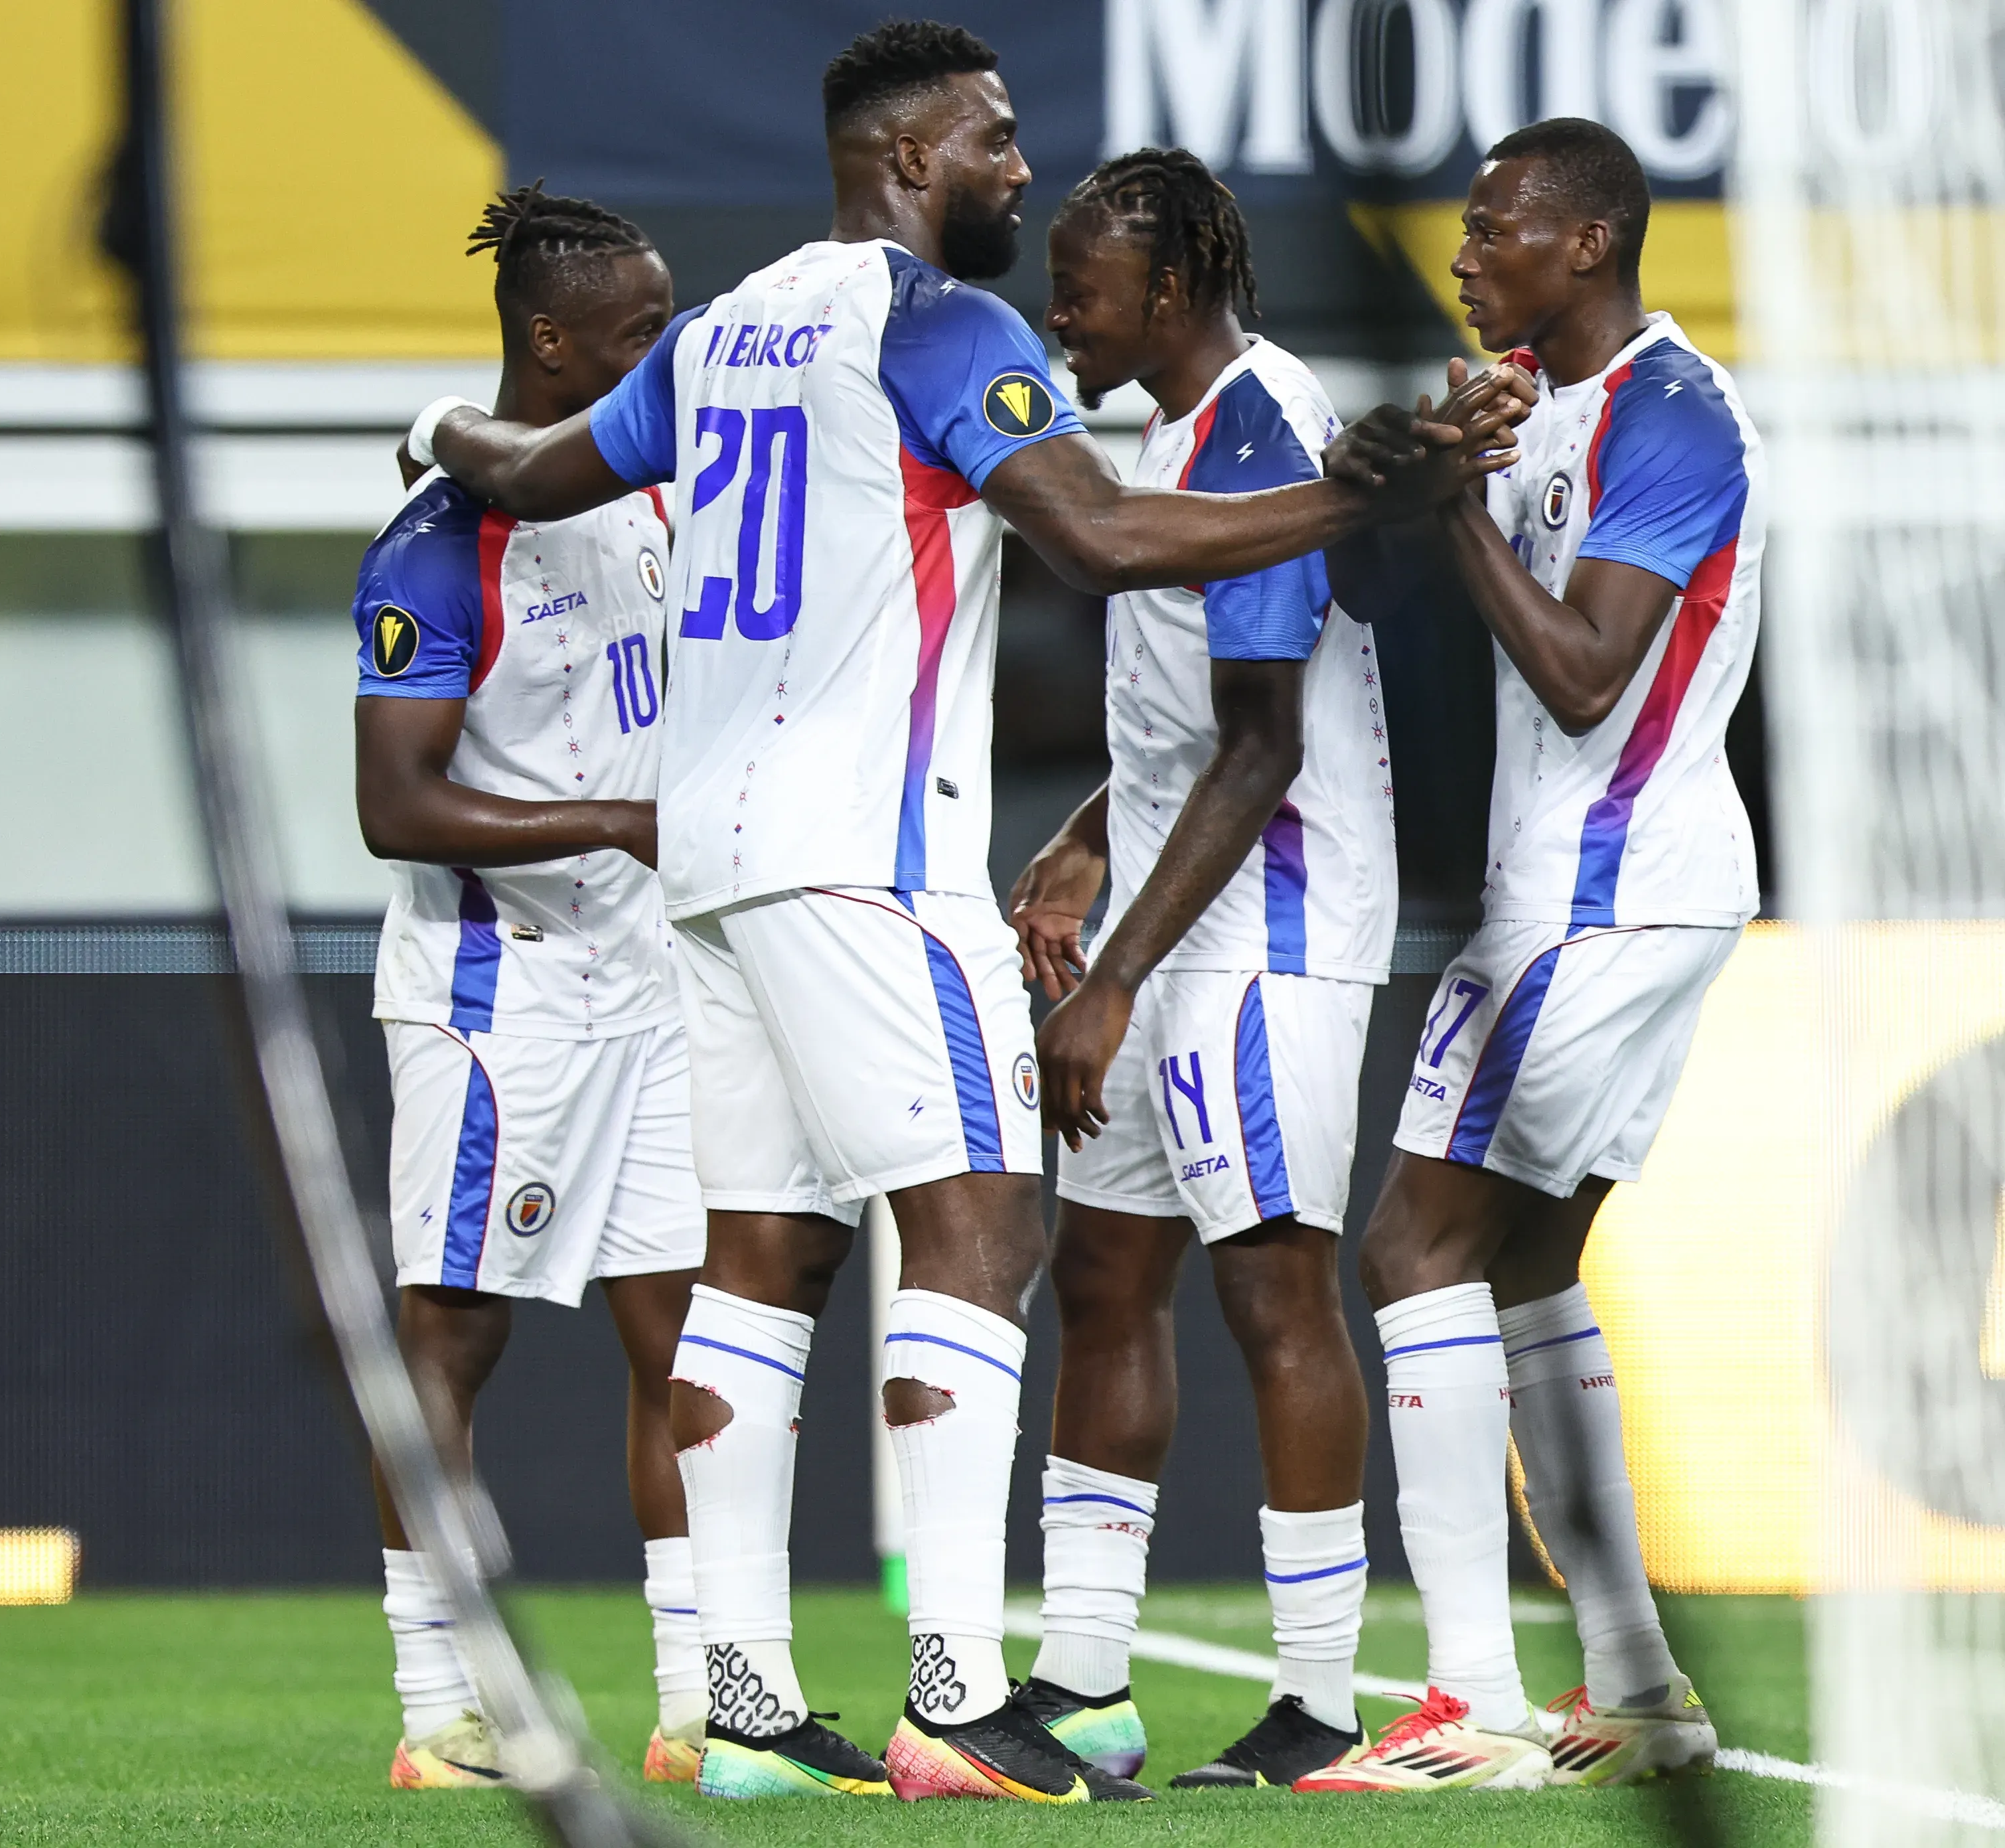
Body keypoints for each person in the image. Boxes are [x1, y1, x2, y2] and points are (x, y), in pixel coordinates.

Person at [402, 19, 1528, 1806]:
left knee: (763, 1260)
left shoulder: (722, 327)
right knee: (989, 1223)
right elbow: (1103, 541)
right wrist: (1365, 493)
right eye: (998, 142)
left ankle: (745, 1711)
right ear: (913, 158)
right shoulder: (943, 326)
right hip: (864, 853)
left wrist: (432, 423)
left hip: (707, 864)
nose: (1020, 168)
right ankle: (953, 1688)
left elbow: (528, 474)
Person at [1293, 117, 1764, 1795]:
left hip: (1607, 889)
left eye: (1495, 233)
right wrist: (1407, 478)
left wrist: (1460, 515)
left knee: (1411, 1245)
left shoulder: (1675, 414)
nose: (1465, 257)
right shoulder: (1539, 408)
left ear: (1589, 242)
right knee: (1525, 1271)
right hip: (1585, 884)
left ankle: (1472, 1704)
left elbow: (1584, 674)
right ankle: (1638, 1690)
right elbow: (1379, 589)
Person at [1005, 148, 1391, 1790]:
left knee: (1273, 1287)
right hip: (1174, 923)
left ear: (1167, 289)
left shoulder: (1265, 427)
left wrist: (1110, 981)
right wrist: (1091, 828)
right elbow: (1180, 731)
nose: (1057, 317)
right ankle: (1086, 1683)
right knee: (1104, 1277)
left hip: (1265, 935)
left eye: (1078, 291)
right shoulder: (1170, 435)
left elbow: (1257, 749)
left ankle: (1318, 1704)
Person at [351, 184, 714, 1793]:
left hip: (653, 980)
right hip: (498, 990)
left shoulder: (652, 503)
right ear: (553, 343)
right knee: (454, 1331)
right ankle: (442, 1702)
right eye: (643, 335)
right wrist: (621, 821)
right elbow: (396, 805)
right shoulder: (438, 543)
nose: (671, 360)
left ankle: (705, 1696)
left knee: (686, 1333)